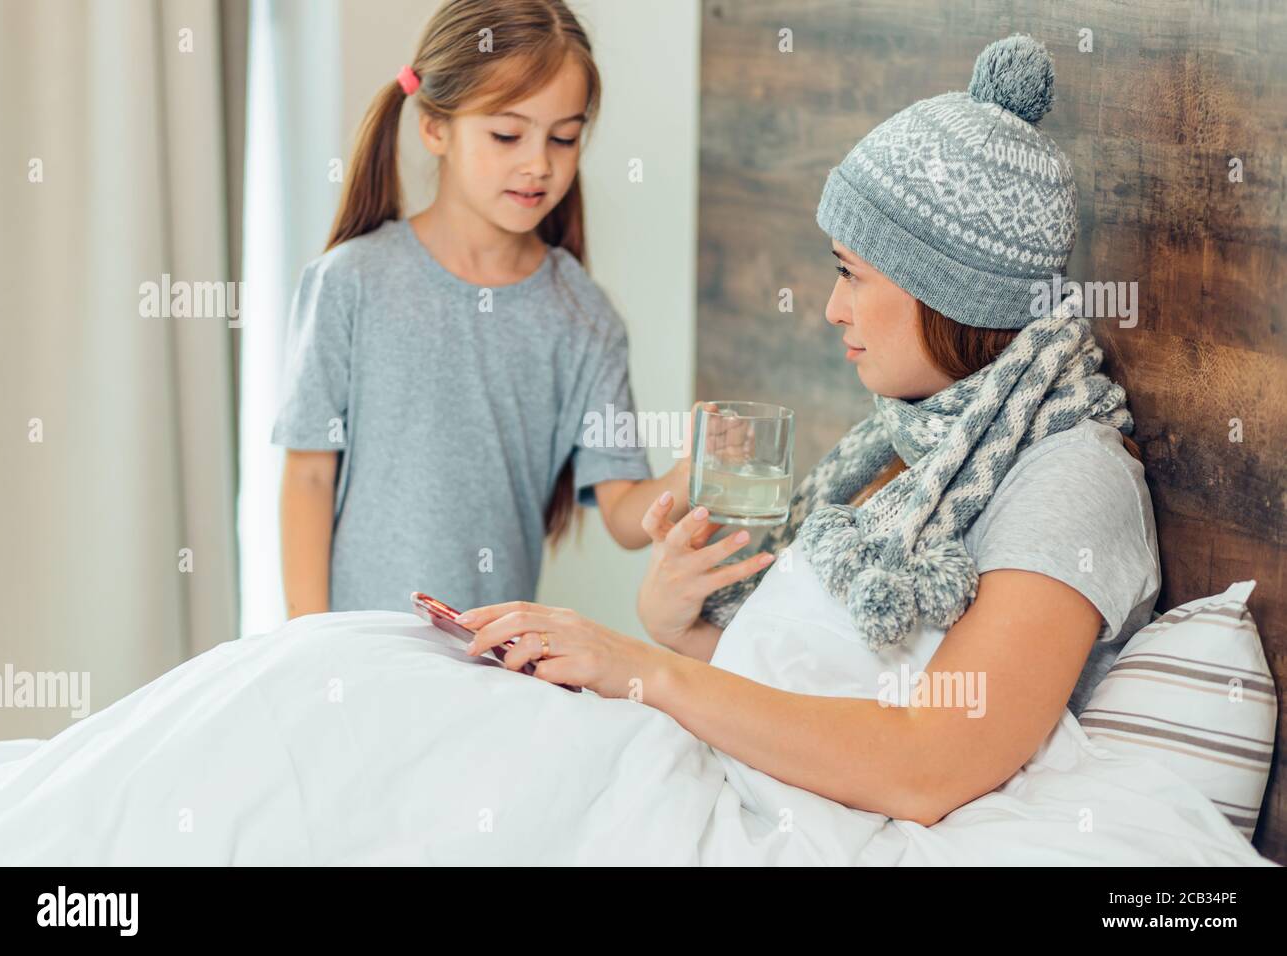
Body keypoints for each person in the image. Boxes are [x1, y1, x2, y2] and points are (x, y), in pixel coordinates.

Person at [458, 33, 1162, 826]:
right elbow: (820, 700)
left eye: (851, 273)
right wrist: (679, 630)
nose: (832, 309)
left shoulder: (1072, 477)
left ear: (948, 292)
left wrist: (642, 667)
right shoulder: (920, 447)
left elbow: (929, 761)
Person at [273, 0, 691, 620]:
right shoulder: (350, 282)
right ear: (434, 128)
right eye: (506, 134)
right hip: (355, 654)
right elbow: (307, 477)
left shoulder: (584, 318)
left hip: (491, 665)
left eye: (564, 138)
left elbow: (627, 513)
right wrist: (308, 643)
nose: (539, 164)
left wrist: (696, 470)